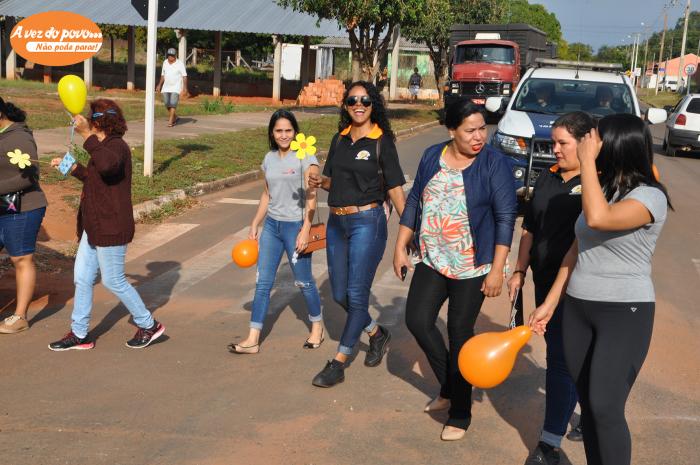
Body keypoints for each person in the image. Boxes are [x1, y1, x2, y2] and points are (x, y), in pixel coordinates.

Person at [530, 114, 672, 465]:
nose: (588, 145)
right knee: (591, 409)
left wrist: (588, 163)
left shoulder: (649, 196)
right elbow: (577, 248)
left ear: (618, 145)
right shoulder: (603, 189)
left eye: (595, 139)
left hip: (624, 313)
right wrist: (551, 301)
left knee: (606, 407)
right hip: (579, 309)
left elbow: (599, 219)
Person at [394, 100, 517, 441]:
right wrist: (400, 245)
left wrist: (496, 269)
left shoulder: (494, 163)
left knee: (460, 333)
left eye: (482, 128)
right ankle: (451, 386)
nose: (479, 136)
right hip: (433, 258)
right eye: (470, 130)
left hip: (473, 264)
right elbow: (415, 200)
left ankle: (460, 412)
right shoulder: (432, 155)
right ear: (451, 131)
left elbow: (505, 218)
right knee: (417, 320)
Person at [508, 112, 596, 464]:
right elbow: (529, 228)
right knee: (565, 355)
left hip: (580, 286)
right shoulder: (548, 175)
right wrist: (519, 270)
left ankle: (548, 443)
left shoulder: (598, 181)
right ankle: (586, 412)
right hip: (544, 281)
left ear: (585, 142)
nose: (555, 149)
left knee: (561, 359)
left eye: (563, 143)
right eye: (553, 143)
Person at [307, 81, 406, 388]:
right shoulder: (339, 139)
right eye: (352, 101)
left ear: (373, 104)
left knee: (357, 294)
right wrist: (319, 181)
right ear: (346, 106)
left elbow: (395, 189)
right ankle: (376, 333)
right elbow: (332, 182)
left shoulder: (381, 141)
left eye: (364, 100)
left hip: (367, 222)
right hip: (337, 223)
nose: (358, 105)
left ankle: (339, 362)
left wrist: (409, 233)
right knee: (340, 295)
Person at [48, 99, 165, 351]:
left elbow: (107, 165)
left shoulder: (116, 146)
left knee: (113, 280)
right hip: (94, 226)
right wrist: (70, 166)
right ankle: (79, 333)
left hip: (111, 226)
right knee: (82, 278)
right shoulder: (102, 147)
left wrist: (86, 136)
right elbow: (95, 177)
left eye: (91, 118)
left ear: (100, 122)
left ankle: (149, 325)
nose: (88, 122)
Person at [228, 109, 323, 354]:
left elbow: (312, 197)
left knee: (303, 281)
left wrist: (305, 230)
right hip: (272, 226)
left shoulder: (306, 157)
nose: (283, 135)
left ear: (295, 132)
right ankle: (253, 338)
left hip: (295, 227)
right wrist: (255, 222)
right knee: (262, 283)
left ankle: (317, 326)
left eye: (288, 130)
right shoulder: (269, 158)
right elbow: (267, 193)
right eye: (279, 130)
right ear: (272, 132)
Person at [0, 98, 47, 334]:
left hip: (23, 208)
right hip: (3, 207)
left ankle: (20, 317)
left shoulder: (19, 137)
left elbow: (29, 175)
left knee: (21, 259)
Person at [156, 48, 188, 127]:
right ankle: (175, 116)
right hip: (166, 86)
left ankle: (171, 121)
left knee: (173, 103)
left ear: (175, 56)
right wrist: (159, 85)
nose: (170, 57)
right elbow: (163, 75)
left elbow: (184, 76)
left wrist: (185, 88)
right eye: (169, 55)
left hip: (176, 87)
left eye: (172, 56)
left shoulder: (180, 64)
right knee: (167, 103)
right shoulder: (165, 62)